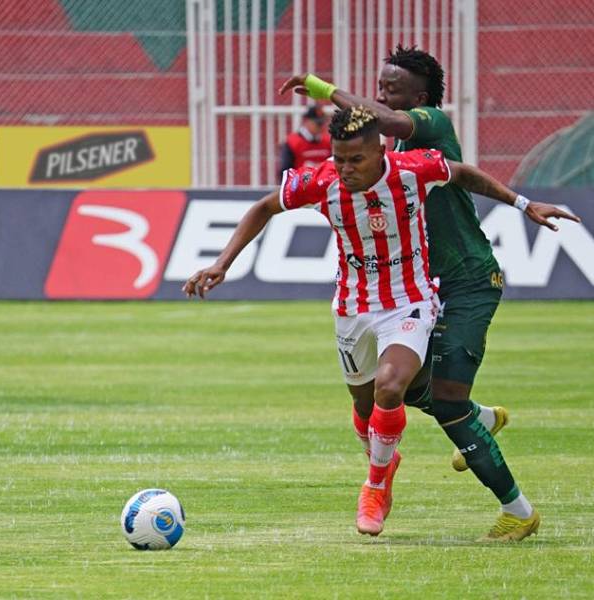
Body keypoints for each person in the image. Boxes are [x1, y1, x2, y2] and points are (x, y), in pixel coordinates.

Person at [184, 106, 577, 540]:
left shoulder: (413, 170)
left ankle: (375, 486)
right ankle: (397, 455)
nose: (346, 169)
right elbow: (264, 207)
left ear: (381, 151)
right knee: (364, 408)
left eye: (356, 159)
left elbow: (464, 173)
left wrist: (523, 203)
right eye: (339, 158)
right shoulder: (322, 181)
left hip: (409, 302)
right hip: (353, 308)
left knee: (389, 387)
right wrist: (221, 263)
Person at [279, 45, 581, 541]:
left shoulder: (430, 124)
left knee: (447, 403)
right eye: (379, 87)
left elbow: (390, 125)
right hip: (424, 288)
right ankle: (483, 418)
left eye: (391, 90)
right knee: (406, 387)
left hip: (468, 281)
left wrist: (321, 88)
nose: (380, 97)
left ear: (418, 99)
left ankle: (519, 511)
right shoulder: (390, 155)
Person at [278, 104, 331, 179]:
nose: (321, 127)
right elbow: (285, 170)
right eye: (318, 124)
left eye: (322, 123)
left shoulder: (327, 141)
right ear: (306, 121)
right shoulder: (293, 142)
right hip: (299, 183)